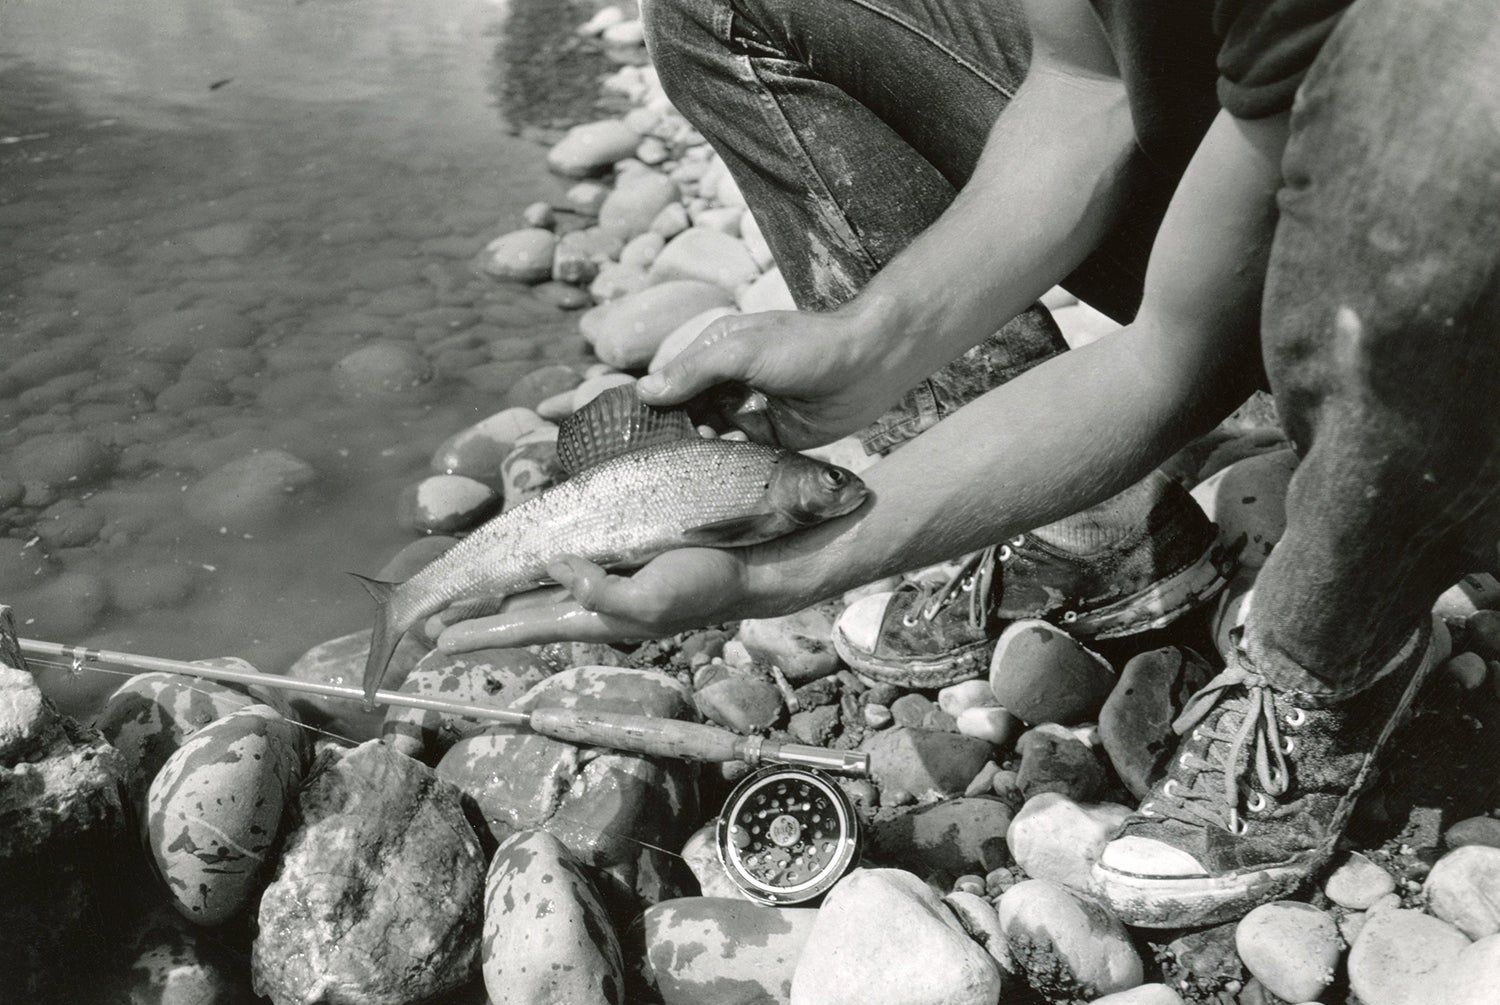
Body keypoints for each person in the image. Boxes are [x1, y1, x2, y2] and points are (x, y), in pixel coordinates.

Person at [439, 0, 1500, 927]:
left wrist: (785, 570)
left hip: (1444, 204)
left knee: (1450, 125)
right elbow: (1085, 81)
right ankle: (1094, 524)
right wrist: (873, 339)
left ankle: (1336, 646)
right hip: (1284, 144)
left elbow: (1170, 355)